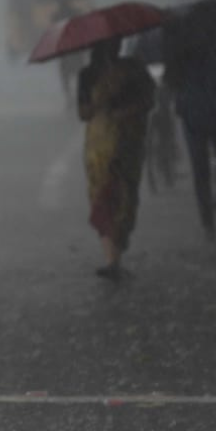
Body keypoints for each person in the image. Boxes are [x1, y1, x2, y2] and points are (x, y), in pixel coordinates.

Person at [77, 39, 156, 281]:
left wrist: (126, 110)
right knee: (103, 197)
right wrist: (101, 100)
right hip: (99, 147)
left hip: (128, 142)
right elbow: (83, 113)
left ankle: (116, 257)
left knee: (125, 198)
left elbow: (149, 100)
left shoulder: (133, 70)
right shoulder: (88, 74)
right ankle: (112, 260)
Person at [163, 19, 216, 241]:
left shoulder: (181, 52)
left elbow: (171, 82)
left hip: (194, 119)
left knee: (201, 172)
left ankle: (208, 224)